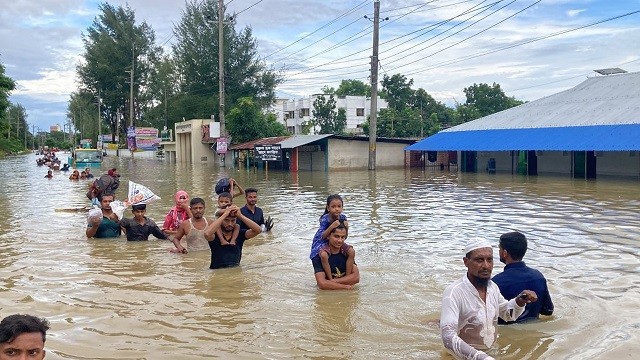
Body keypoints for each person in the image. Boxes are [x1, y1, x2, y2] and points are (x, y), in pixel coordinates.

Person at [440, 240, 539, 360]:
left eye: (489, 260)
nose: (486, 266)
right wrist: (481, 357)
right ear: (466, 262)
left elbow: (507, 314)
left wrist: (519, 301)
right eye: (479, 260)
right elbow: (448, 338)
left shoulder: (493, 288)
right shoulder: (454, 293)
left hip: (491, 354)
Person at [492, 231, 554, 323]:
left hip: (508, 333)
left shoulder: (495, 283)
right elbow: (548, 311)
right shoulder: (538, 277)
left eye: (499, 248)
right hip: (533, 330)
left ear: (504, 253)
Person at [310, 194, 355, 282]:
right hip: (321, 242)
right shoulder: (325, 218)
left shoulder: (343, 217)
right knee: (323, 255)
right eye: (333, 206)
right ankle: (330, 279)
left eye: (339, 206)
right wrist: (332, 226)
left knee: (351, 251)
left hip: (335, 240)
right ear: (328, 208)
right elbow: (322, 236)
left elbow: (344, 237)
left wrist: (347, 227)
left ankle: (347, 277)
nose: (337, 209)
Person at [203, 205, 262, 269]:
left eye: (233, 221)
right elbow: (207, 234)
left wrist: (240, 216)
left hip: (236, 271)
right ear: (221, 220)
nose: (230, 224)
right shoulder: (214, 236)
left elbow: (258, 230)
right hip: (217, 271)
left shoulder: (240, 234)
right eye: (226, 220)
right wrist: (224, 215)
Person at [312, 225, 360, 290]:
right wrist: (345, 287)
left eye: (342, 237)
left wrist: (331, 282)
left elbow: (356, 278)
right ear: (328, 236)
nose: (340, 240)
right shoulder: (318, 256)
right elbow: (322, 284)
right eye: (336, 236)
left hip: (336, 287)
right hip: (330, 294)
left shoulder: (347, 253)